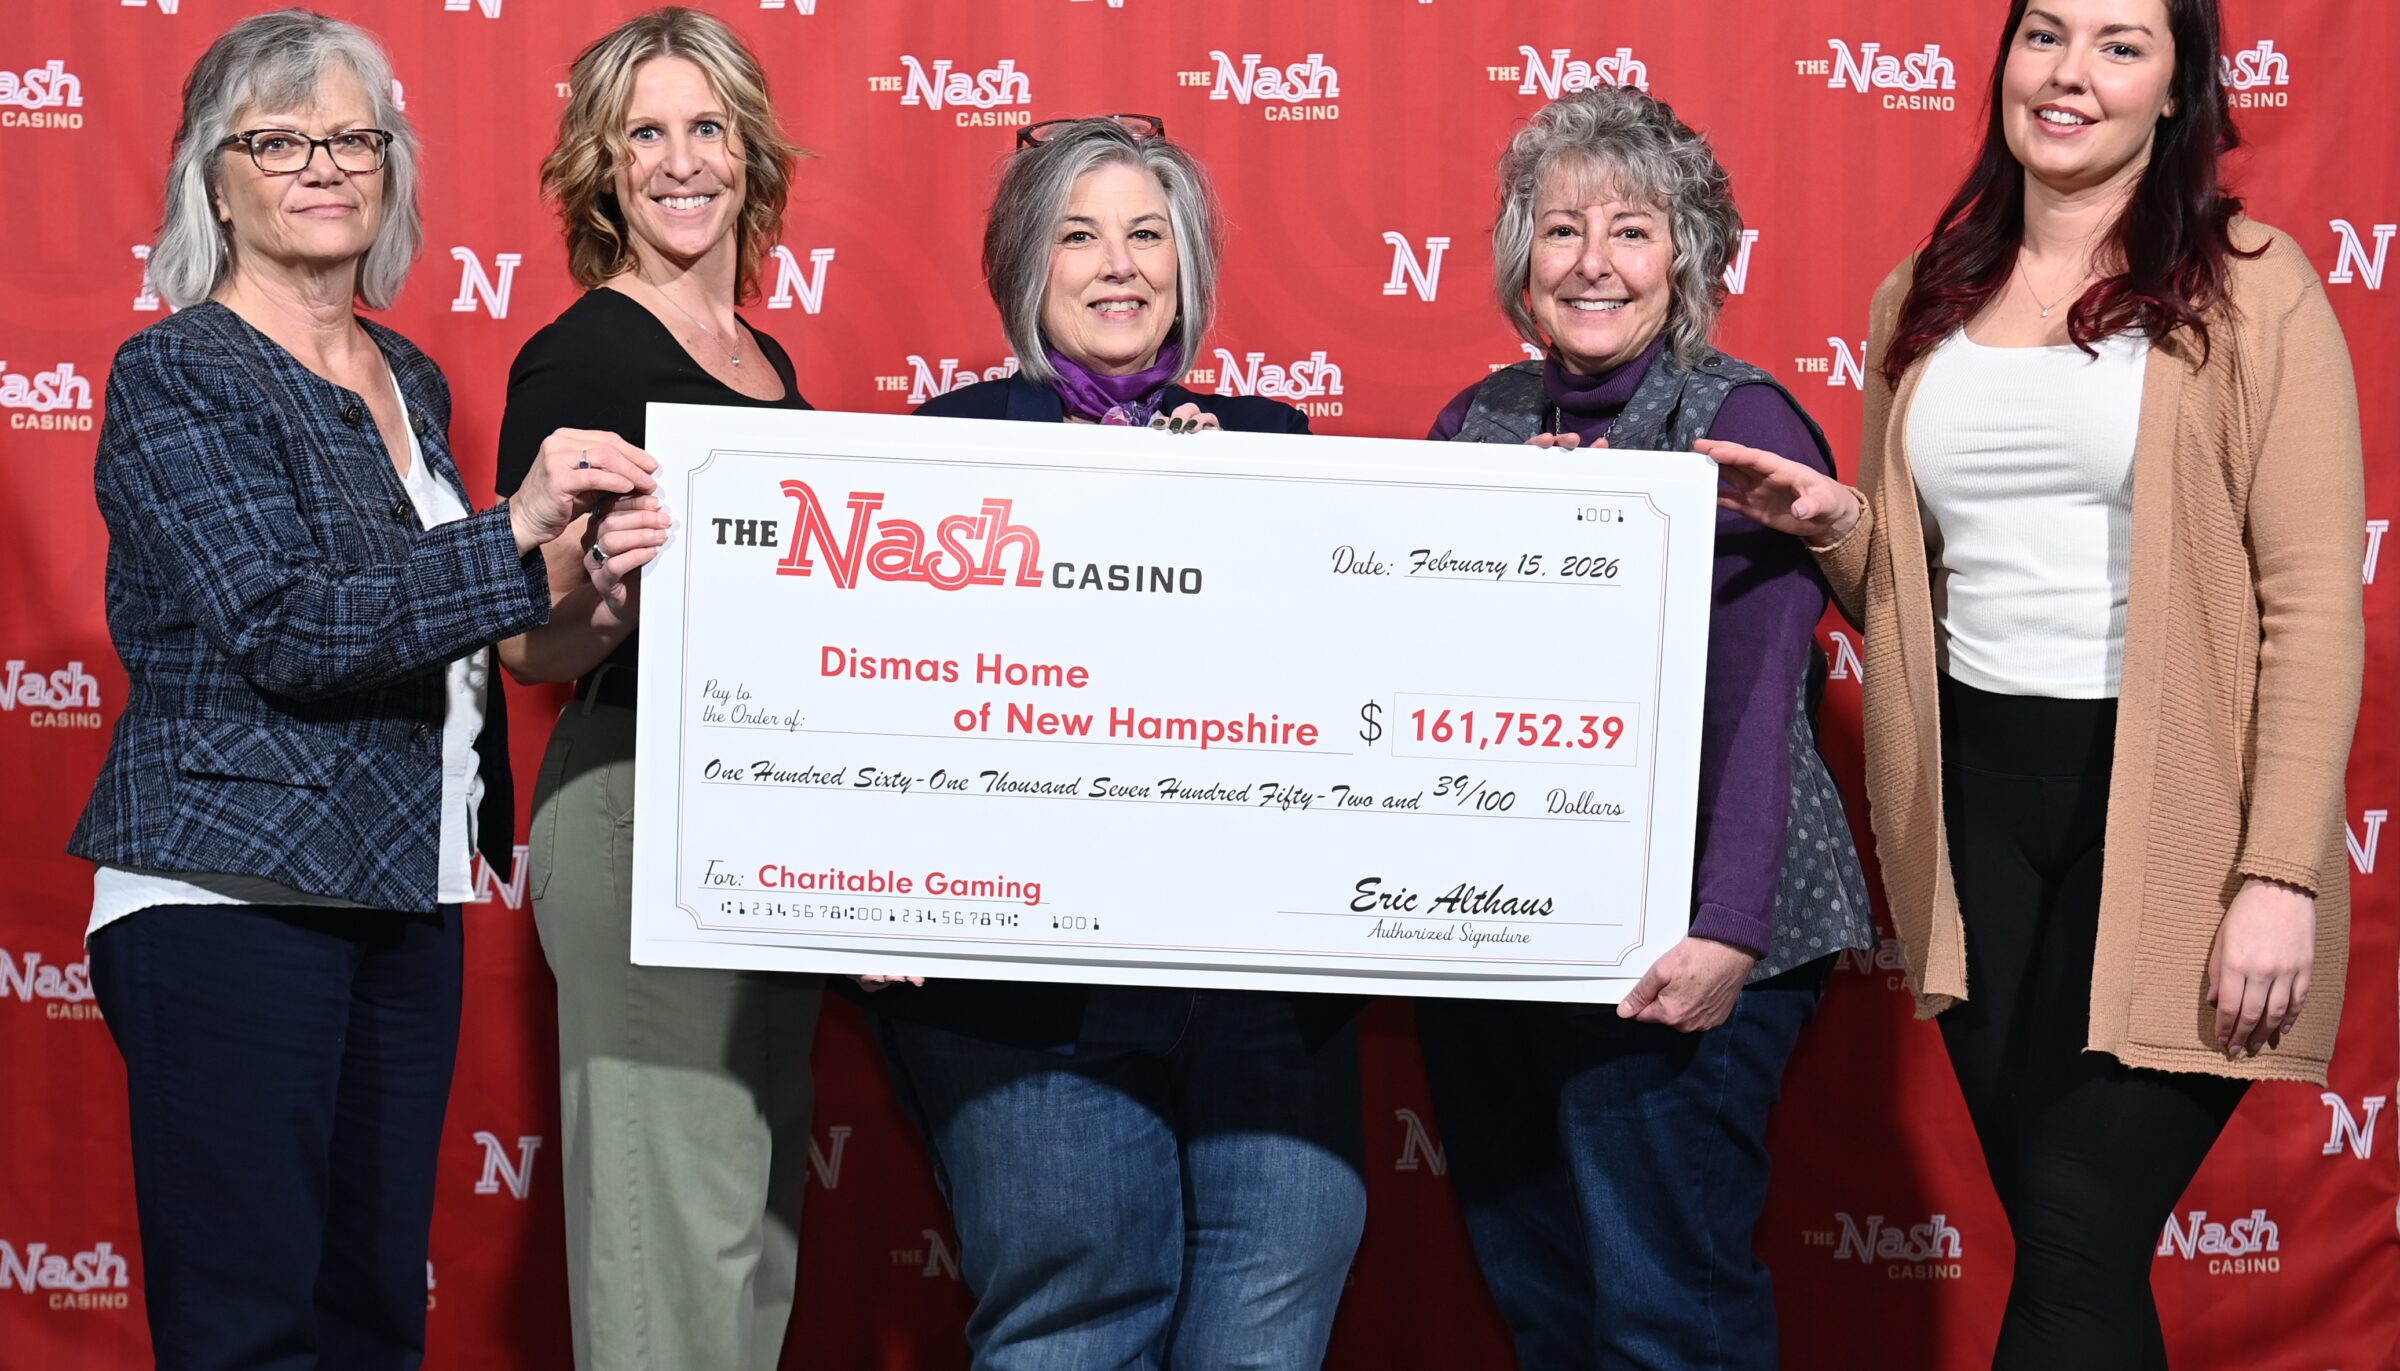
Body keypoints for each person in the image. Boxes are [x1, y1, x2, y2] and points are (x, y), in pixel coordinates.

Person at [1711, 1, 2365, 1365]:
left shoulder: (2254, 284)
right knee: (2076, 1254)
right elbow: (1917, 591)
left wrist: (2278, 874)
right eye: (2045, 35)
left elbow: (2310, 603)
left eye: (2121, 45)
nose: (2070, 74)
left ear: (2178, 90)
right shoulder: (1927, 291)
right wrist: (1836, 524)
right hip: (1974, 819)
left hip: (2177, 818)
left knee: (2074, 1226)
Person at [68, 11, 643, 1368]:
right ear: (215, 181)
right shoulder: (178, 371)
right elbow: (285, 624)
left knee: (372, 1320)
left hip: (403, 889)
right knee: (249, 1329)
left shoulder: (411, 376)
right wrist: (514, 529)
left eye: (353, 138)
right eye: (279, 141)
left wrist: (592, 595)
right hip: (229, 892)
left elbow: (449, 621)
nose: (325, 165)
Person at [861, 116, 1361, 1370]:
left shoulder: (1277, 443)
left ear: (1189, 264)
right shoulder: (944, 448)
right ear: (1026, 269)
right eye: (1079, 237)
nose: (1119, 265)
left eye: (1148, 234)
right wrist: (851, 887)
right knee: (1073, 1332)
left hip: (1258, 989)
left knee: (1266, 1336)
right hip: (1028, 1003)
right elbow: (873, 699)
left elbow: (1353, 688)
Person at [1409, 86, 1875, 1371]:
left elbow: (1759, 695)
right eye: (1562, 230)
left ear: (1690, 257)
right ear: (1523, 257)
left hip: (1686, 926)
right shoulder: (1476, 423)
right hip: (1499, 931)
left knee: (1668, 1308)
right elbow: (1410, 669)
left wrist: (1724, 928)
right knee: (1545, 1295)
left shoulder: (1743, 421)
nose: (1593, 263)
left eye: (1632, 230)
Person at [490, 11, 821, 1371]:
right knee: (669, 1260)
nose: (682, 162)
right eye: (646, 134)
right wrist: (605, 598)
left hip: (765, 813)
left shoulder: (764, 360)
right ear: (604, 169)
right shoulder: (584, 355)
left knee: (746, 1247)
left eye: (707, 128)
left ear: (749, 153)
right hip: (643, 802)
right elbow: (527, 647)